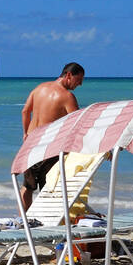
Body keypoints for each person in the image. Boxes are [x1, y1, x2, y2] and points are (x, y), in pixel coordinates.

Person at [19, 62, 85, 210]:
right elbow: (77, 125)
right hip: (48, 148)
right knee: (48, 186)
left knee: (27, 186)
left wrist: (25, 133)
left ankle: (23, 222)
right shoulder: (67, 97)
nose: (80, 84)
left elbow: (25, 111)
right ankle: (42, 221)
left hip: (30, 144)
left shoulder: (39, 88)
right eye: (78, 80)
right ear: (68, 75)